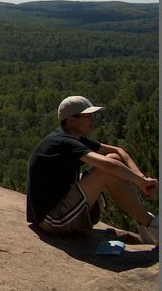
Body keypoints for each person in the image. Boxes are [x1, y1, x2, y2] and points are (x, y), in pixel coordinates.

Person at [26, 95, 158, 246]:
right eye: (88, 116)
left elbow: (118, 151)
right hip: (52, 220)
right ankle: (151, 225)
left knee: (113, 157)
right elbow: (110, 167)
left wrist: (142, 179)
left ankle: (145, 222)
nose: (93, 120)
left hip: (59, 211)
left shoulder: (73, 137)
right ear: (71, 120)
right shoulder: (64, 142)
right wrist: (140, 182)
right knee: (105, 171)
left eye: (93, 115)